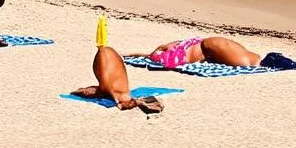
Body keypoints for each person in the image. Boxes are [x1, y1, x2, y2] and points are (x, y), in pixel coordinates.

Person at [71, 46, 165, 112]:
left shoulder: (115, 92)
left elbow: (122, 103)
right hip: (108, 60)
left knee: (117, 93)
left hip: (107, 61)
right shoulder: (113, 90)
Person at [127, 36, 261, 69]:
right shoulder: (204, 45)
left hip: (200, 48)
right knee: (251, 60)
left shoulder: (159, 54)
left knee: (250, 59)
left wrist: (129, 55)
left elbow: (144, 55)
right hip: (202, 48)